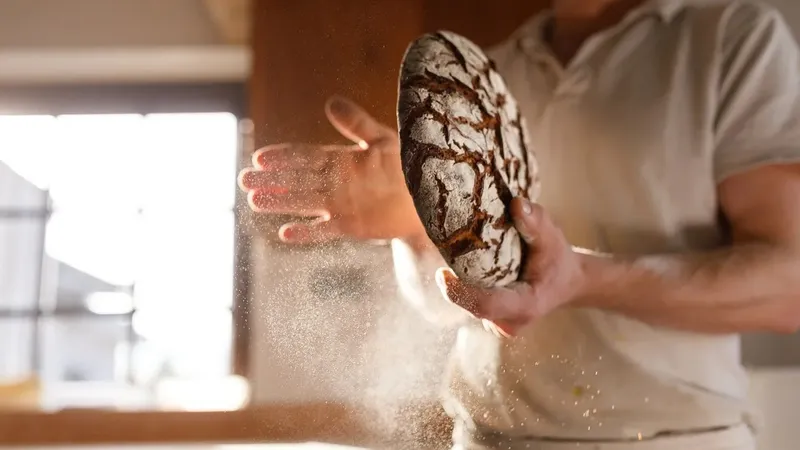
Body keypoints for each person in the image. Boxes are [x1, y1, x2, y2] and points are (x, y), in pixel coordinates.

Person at [238, 0, 800, 448]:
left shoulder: (730, 38)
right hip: (486, 439)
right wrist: (414, 225)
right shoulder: (484, 75)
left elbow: (788, 289)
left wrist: (583, 279)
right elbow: (450, 307)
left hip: (671, 442)